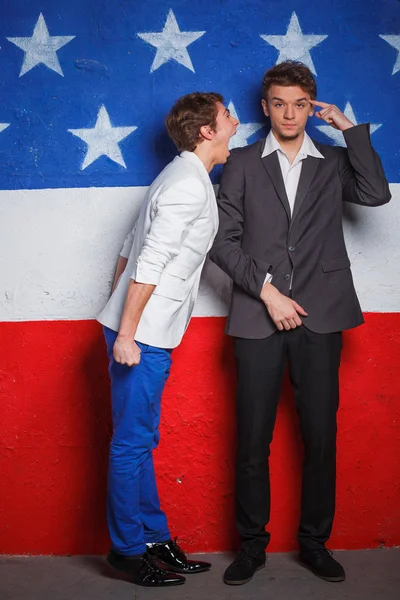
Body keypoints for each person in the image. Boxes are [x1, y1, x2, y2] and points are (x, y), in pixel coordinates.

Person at [209, 60, 391, 586]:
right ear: (264, 107)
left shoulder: (333, 162)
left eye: (301, 103)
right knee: (252, 440)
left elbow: (377, 194)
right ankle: (251, 545)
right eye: (280, 103)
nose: (290, 113)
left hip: (322, 316)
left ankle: (314, 542)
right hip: (258, 315)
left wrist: (350, 131)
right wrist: (268, 293)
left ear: (313, 107)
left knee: (320, 435)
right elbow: (222, 241)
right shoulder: (240, 162)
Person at [97, 92, 238, 587]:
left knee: (141, 441)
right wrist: (127, 333)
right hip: (143, 336)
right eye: (227, 115)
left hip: (142, 329)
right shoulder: (187, 186)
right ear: (207, 131)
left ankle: (154, 539)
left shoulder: (183, 175)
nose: (235, 119)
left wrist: (118, 316)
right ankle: (127, 551)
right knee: (131, 444)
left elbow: (125, 249)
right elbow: (148, 261)